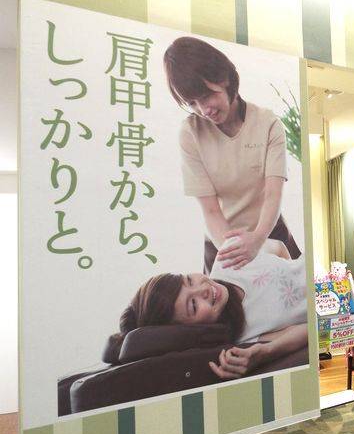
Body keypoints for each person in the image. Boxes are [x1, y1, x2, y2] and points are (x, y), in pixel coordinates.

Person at [163, 36, 301, 275]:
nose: (203, 110)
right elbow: (211, 210)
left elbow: (273, 194)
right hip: (222, 242)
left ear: (224, 79)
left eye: (206, 96)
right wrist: (235, 253)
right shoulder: (190, 133)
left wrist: (258, 239)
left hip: (269, 231)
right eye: (192, 103)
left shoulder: (268, 123)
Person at [110, 239, 307, 379]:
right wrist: (268, 351)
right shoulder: (242, 337)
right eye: (193, 305)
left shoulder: (228, 255)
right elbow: (307, 329)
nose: (203, 289)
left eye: (189, 280)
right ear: (191, 329)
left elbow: (279, 248)